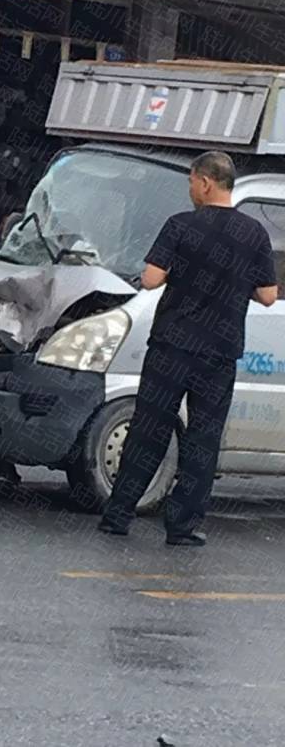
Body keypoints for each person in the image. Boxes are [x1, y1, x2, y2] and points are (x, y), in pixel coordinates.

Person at [99, 151, 277, 547]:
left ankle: (119, 514)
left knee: (149, 429)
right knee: (204, 437)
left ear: (206, 182)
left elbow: (150, 279)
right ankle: (182, 526)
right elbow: (267, 295)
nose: (191, 190)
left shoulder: (181, 225)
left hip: (172, 346)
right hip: (220, 351)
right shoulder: (256, 234)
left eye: (192, 182)